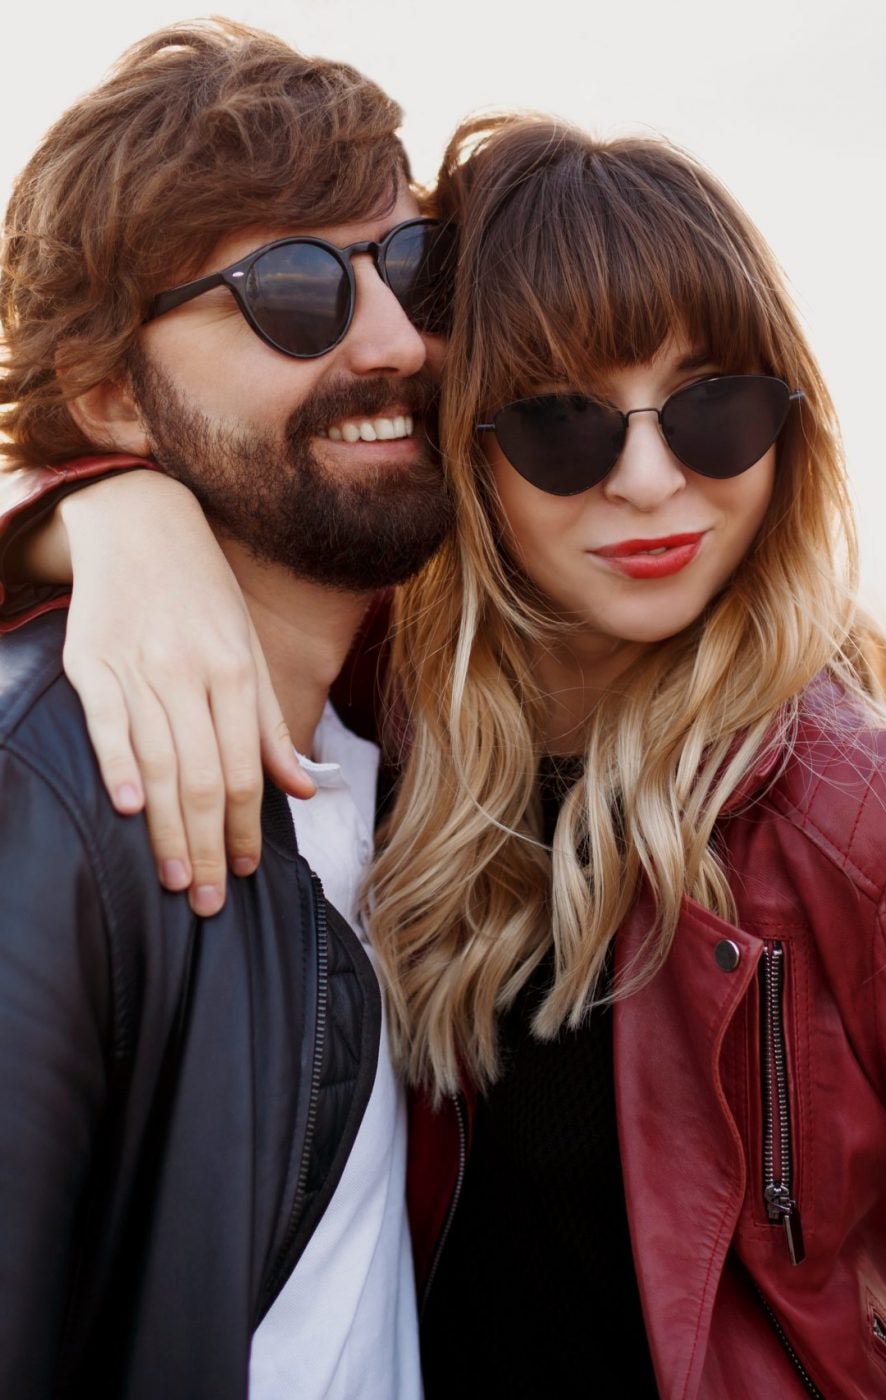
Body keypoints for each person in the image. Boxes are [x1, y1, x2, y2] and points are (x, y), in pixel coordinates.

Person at [4, 115, 886, 1398]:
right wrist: (102, 514)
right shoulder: (379, 729)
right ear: (458, 437)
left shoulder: (884, 824)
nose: (650, 482)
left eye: (716, 409)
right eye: (562, 426)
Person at [0, 19, 455, 1399]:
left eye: (419, 265)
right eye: (297, 289)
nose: (395, 341)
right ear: (106, 396)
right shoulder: (55, 805)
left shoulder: (429, 752)